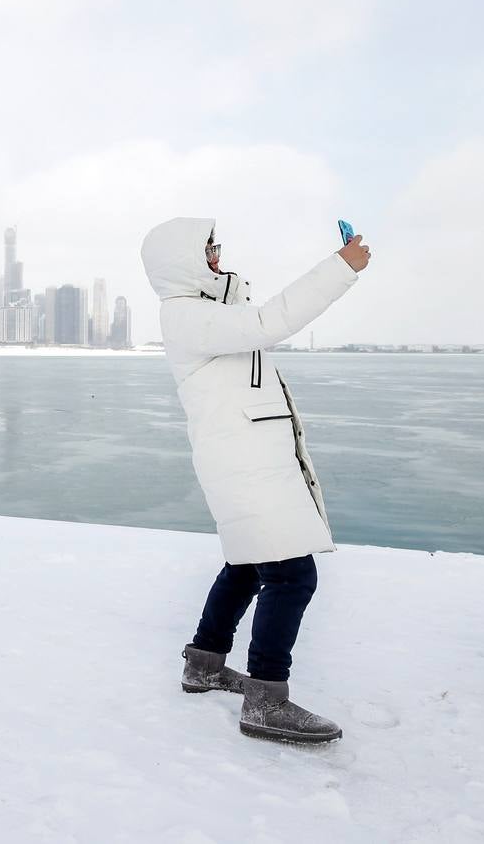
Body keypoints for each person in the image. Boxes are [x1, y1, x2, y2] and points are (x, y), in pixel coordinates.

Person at [140, 218, 371, 744]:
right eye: (208, 250)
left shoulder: (214, 311)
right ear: (184, 263)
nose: (218, 256)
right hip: (242, 463)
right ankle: (267, 699)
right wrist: (340, 267)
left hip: (248, 458)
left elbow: (255, 327)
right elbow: (270, 322)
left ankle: (204, 664)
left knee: (246, 564)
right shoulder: (188, 316)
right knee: (292, 576)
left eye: (216, 247)